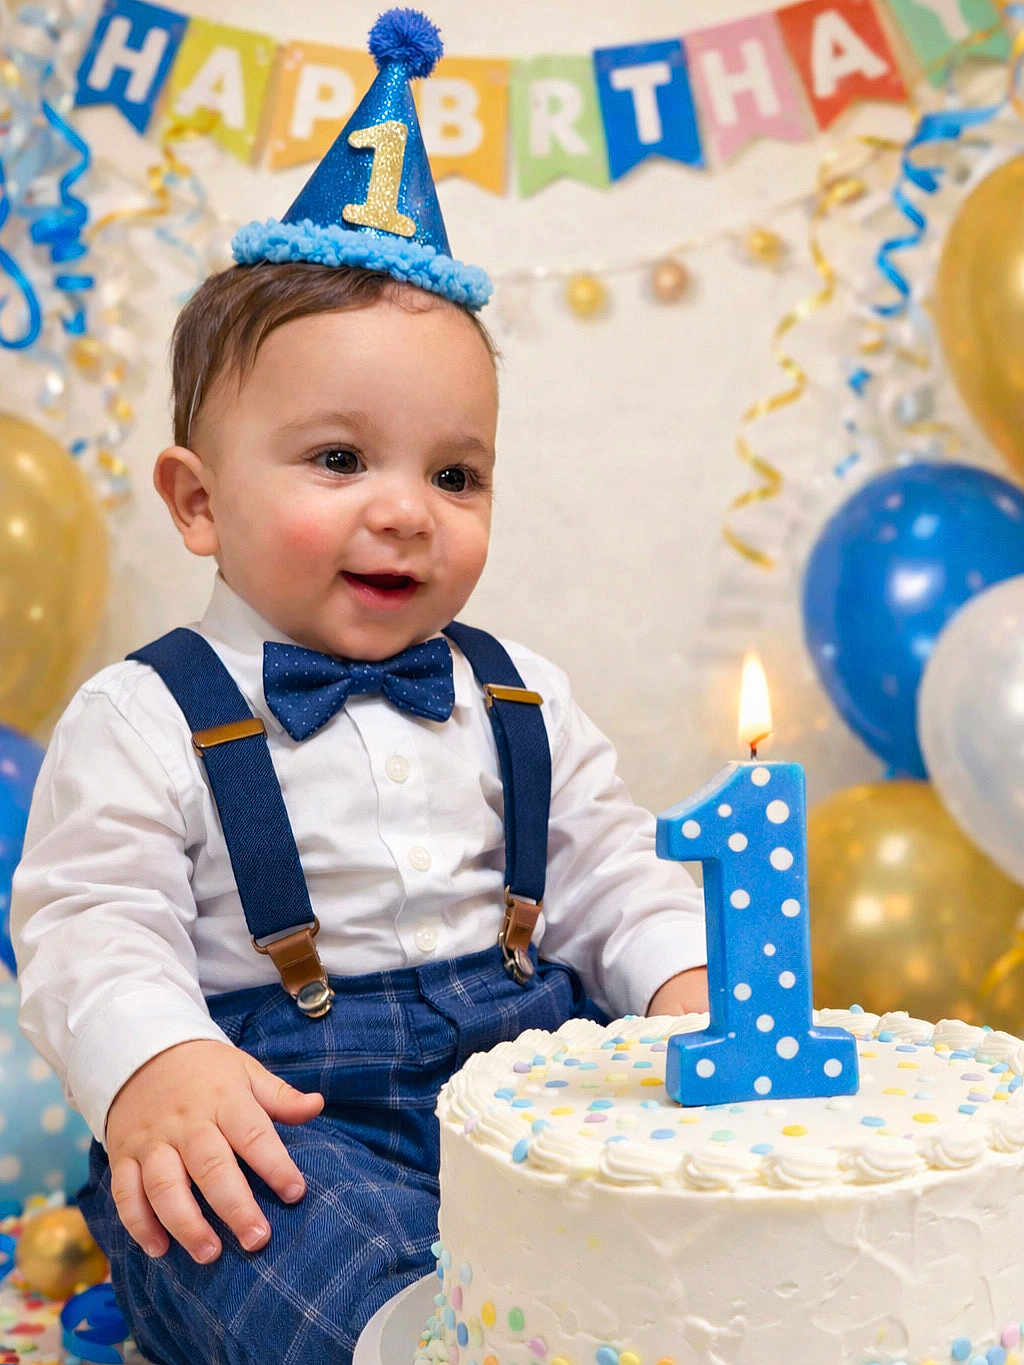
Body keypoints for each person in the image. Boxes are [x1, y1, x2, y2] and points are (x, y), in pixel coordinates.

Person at [10, 11, 707, 1363]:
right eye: (339, 459)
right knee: (243, 1227)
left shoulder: (524, 698)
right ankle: (410, 1340)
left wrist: (685, 986)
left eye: (455, 473)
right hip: (280, 1111)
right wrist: (158, 1062)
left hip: (522, 1095)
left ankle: (632, 1308)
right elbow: (90, 925)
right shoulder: (144, 717)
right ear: (199, 500)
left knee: (664, 1180)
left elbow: (615, 869)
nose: (406, 511)